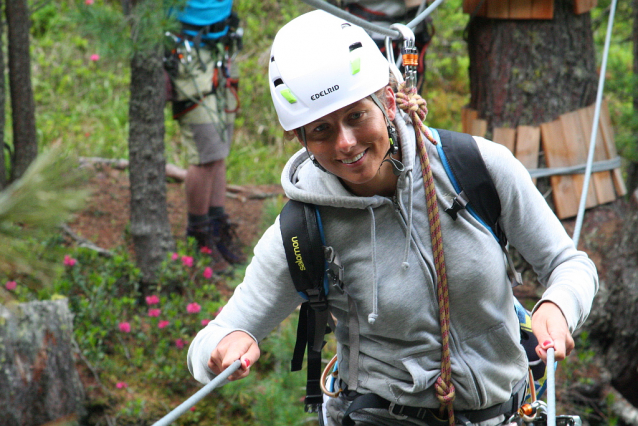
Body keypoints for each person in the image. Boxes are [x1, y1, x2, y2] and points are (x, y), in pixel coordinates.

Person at [187, 10, 598, 426]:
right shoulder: (305, 228)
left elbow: (570, 265)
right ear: (300, 137)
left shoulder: (474, 167)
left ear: (386, 99)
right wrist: (225, 346)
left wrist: (558, 306)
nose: (346, 144)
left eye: (356, 116)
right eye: (322, 130)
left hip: (505, 411)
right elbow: (208, 344)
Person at [166, 0, 246, 271]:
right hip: (187, 50)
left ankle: (216, 225)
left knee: (219, 147)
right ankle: (198, 234)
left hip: (221, 44)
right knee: (206, 151)